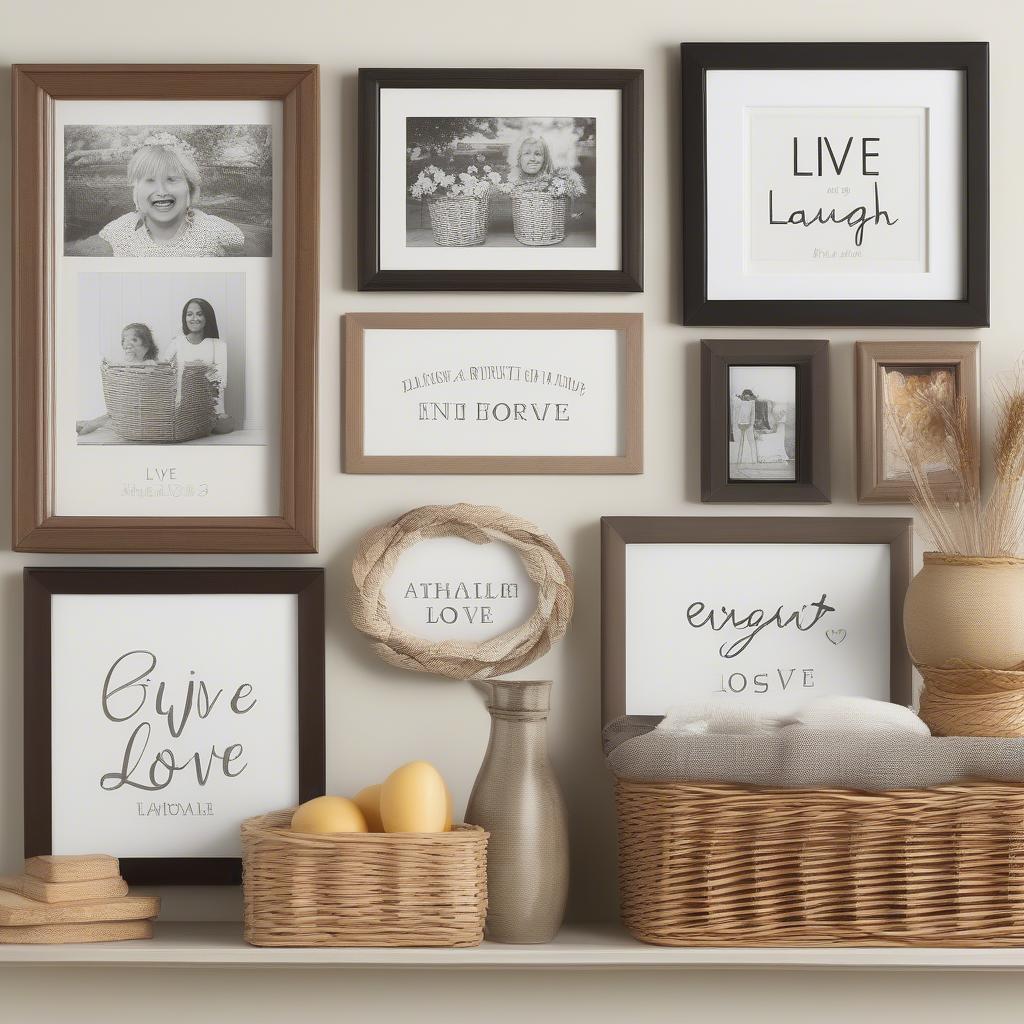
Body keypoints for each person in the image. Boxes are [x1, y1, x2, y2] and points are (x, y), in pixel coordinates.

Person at [67, 136, 245, 257]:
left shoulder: (215, 231)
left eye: (172, 179)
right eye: (150, 180)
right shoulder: (119, 231)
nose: (161, 190)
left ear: (190, 189)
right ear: (136, 192)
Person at [161, 298, 234, 433]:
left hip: (210, 409)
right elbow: (162, 370)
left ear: (207, 318)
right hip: (182, 408)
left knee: (224, 425)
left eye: (199, 314)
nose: (194, 318)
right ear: (185, 318)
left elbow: (221, 382)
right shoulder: (177, 342)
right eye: (190, 314)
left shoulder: (218, 345)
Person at [76, 323, 159, 436]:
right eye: (124, 340)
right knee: (110, 414)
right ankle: (90, 422)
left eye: (134, 340)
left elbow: (147, 380)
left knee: (111, 417)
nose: (127, 344)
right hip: (126, 406)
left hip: (142, 410)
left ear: (146, 345)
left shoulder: (150, 363)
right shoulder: (128, 362)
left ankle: (93, 424)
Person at [732, 388, 758, 466]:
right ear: (743, 395)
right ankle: (738, 460)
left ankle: (754, 461)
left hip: (748, 424)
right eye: (746, 396)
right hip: (740, 423)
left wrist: (751, 424)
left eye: (749, 396)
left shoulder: (752, 403)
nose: (747, 398)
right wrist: (737, 424)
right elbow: (736, 414)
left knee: (751, 441)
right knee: (740, 442)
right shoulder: (738, 402)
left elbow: (752, 415)